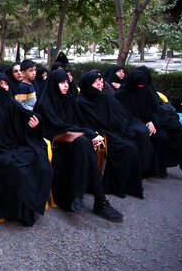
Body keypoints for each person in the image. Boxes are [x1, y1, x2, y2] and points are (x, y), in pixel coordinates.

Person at [36, 70, 123, 222]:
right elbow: (59, 126)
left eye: (67, 83)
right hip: (55, 145)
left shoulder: (69, 99)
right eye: (61, 83)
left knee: (84, 145)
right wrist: (87, 134)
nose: (65, 86)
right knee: (84, 144)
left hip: (74, 142)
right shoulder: (46, 103)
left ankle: (91, 198)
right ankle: (97, 200)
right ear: (54, 84)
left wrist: (91, 134)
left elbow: (80, 123)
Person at [0, 73, 53, 226]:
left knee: (40, 161)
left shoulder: (12, 104)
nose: (5, 87)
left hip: (15, 146)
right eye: (1, 85)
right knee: (19, 169)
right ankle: (18, 212)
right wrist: (7, 139)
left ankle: (30, 207)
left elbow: (22, 127)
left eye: (6, 84)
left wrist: (32, 126)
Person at [77, 71, 149, 198]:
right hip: (101, 132)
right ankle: (116, 186)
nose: (100, 84)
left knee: (138, 135)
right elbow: (85, 122)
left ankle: (130, 183)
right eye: (95, 82)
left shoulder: (103, 95)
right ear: (88, 84)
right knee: (127, 148)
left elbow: (118, 112)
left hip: (115, 128)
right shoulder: (82, 102)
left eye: (100, 80)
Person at [115, 69, 182, 178]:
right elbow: (122, 115)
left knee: (163, 136)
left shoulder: (146, 91)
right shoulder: (121, 95)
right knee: (143, 136)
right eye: (139, 86)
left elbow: (155, 109)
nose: (141, 88)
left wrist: (152, 122)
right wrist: (142, 124)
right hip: (131, 126)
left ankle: (159, 169)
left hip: (150, 122)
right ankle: (143, 169)